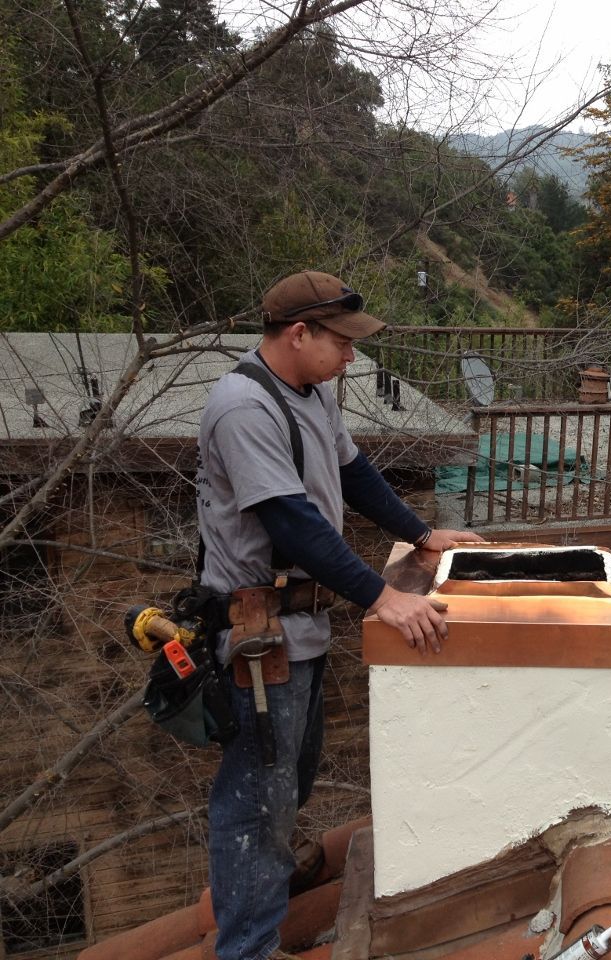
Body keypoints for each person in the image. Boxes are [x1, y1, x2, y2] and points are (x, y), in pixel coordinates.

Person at [196, 270, 485, 960]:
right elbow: (290, 523)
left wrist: (421, 534)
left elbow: (355, 475)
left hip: (301, 630)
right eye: (341, 343)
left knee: (289, 782)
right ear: (299, 334)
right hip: (260, 634)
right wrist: (383, 596)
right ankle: (247, 949)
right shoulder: (245, 408)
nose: (351, 357)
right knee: (255, 803)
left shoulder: (312, 395)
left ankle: (265, 909)